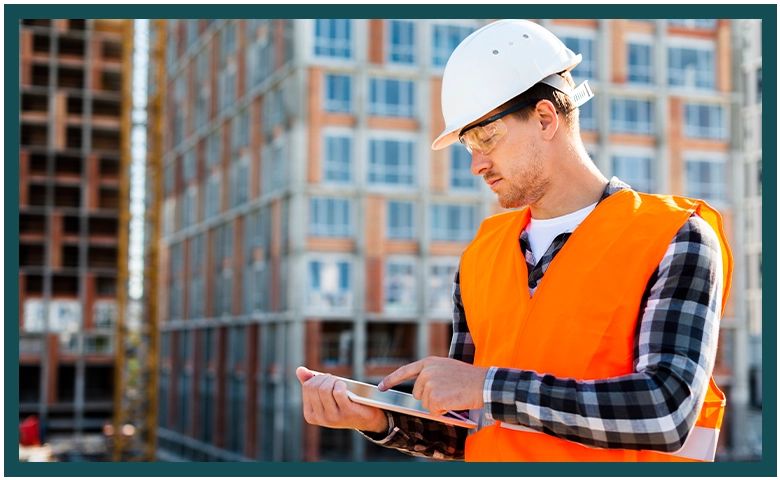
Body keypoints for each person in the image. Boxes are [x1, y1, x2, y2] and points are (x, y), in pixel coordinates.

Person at [296, 19, 732, 462]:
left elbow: (666, 411)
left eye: (486, 136)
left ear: (545, 118)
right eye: (468, 144)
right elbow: (469, 425)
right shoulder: (480, 258)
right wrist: (379, 419)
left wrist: (488, 385)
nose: (476, 165)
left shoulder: (674, 237)